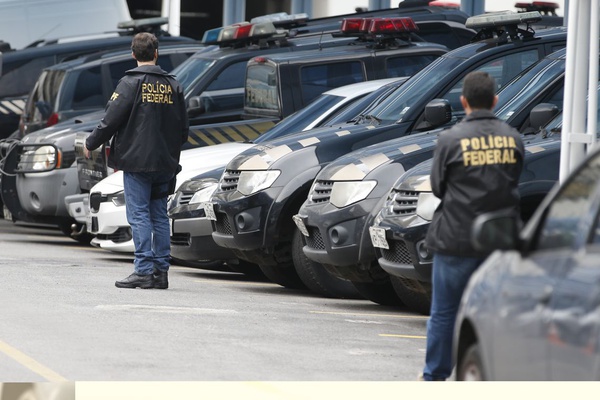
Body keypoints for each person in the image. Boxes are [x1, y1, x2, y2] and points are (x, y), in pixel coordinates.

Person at [421, 71, 524, 380]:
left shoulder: (450, 139)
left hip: (456, 240)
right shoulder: (513, 138)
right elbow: (514, 181)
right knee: (496, 314)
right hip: (498, 240)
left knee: (444, 312)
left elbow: (438, 187)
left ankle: (434, 376)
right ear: (494, 101)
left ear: (463, 101)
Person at [84, 32, 189, 290]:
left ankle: (143, 270)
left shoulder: (130, 83)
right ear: (156, 53)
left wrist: (91, 143)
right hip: (165, 163)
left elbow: (110, 120)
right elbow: (184, 128)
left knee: (139, 214)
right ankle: (161, 272)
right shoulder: (173, 84)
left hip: (137, 162)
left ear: (133, 54)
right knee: (159, 216)